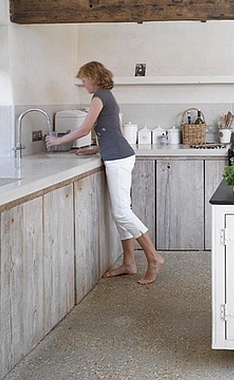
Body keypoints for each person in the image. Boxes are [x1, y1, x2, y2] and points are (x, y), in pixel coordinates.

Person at [46, 60, 164, 285]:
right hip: (119, 154)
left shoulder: (99, 96)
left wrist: (58, 140)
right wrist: (97, 148)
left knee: (121, 213)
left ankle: (154, 257)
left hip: (118, 158)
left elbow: (85, 128)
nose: (83, 83)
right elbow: (115, 130)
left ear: (93, 77)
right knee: (121, 211)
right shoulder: (108, 96)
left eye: (84, 79)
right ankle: (129, 263)